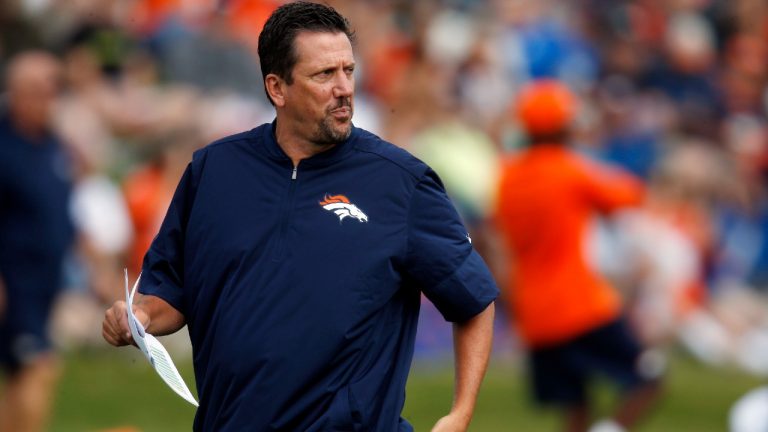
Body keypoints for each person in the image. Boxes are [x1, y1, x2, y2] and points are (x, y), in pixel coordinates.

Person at [102, 2, 498, 431]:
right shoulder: (212, 172)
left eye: (348, 70)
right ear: (277, 88)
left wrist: (460, 414)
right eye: (324, 75)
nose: (344, 87)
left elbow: (473, 299)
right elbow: (169, 294)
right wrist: (137, 319)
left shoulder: (401, 182)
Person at [493, 79, 662, 432]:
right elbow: (628, 195)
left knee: (574, 406)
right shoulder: (568, 170)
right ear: (563, 126)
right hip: (580, 306)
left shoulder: (508, 177)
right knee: (650, 376)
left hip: (535, 313)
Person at [0, 51, 75, 432]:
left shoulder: (51, 146)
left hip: (43, 285)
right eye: (39, 90)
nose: (48, 99)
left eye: (53, 90)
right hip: (13, 284)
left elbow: (61, 213)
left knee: (23, 375)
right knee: (37, 367)